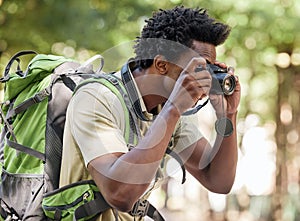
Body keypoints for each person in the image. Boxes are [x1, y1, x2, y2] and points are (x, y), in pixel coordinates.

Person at [59, 5, 241, 221]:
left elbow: (218, 181)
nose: (206, 79)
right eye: (198, 68)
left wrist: (228, 115)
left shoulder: (166, 108)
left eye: (210, 69)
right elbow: (120, 194)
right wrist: (173, 109)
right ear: (162, 64)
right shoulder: (97, 98)